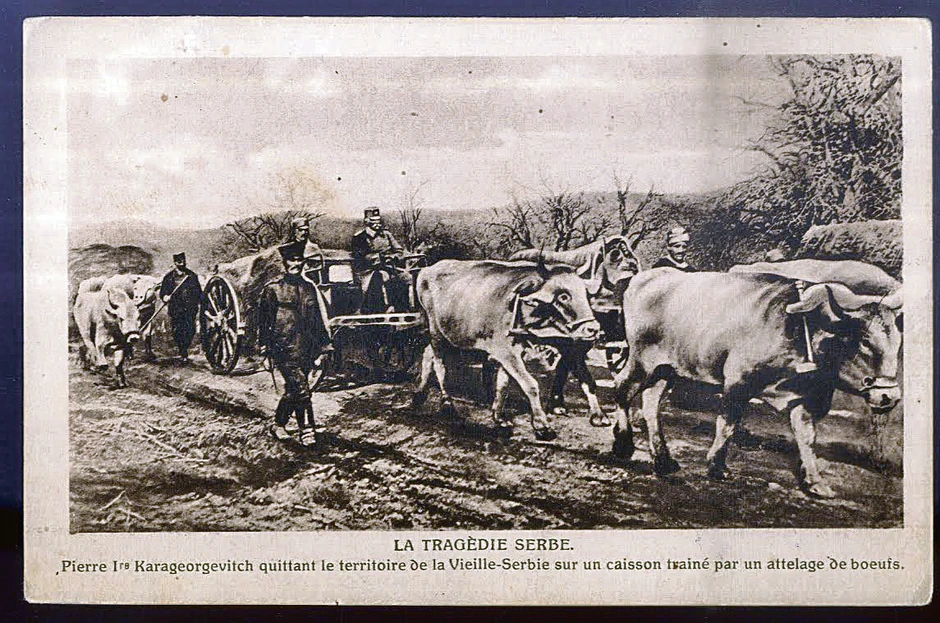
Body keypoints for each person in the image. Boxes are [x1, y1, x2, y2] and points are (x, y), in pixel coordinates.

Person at [257, 241, 331, 446]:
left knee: (294, 389)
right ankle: (307, 430)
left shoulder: (308, 288)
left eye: (299, 260)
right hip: (283, 348)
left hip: (306, 347)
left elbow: (316, 318)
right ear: (284, 262)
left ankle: (279, 425)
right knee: (302, 389)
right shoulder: (272, 290)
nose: (296, 264)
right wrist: (264, 350)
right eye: (292, 260)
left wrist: (325, 345)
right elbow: (264, 322)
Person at [350, 207, 413, 312]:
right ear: (366, 221)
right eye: (373, 220)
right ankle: (382, 307)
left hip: (389, 266)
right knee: (381, 276)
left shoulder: (386, 235)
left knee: (407, 277)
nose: (377, 223)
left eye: (378, 220)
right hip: (368, 271)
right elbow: (360, 257)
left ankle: (405, 307)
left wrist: (394, 257)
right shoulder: (359, 237)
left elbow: (399, 250)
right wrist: (380, 258)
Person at [159, 252, 202, 364]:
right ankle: (183, 352)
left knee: (190, 330)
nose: (181, 263)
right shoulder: (168, 277)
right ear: (174, 263)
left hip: (190, 308)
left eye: (182, 261)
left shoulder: (192, 276)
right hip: (176, 309)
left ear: (185, 261)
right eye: (178, 261)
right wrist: (165, 297)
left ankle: (185, 348)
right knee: (177, 330)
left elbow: (199, 292)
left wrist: (199, 302)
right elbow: (162, 292)